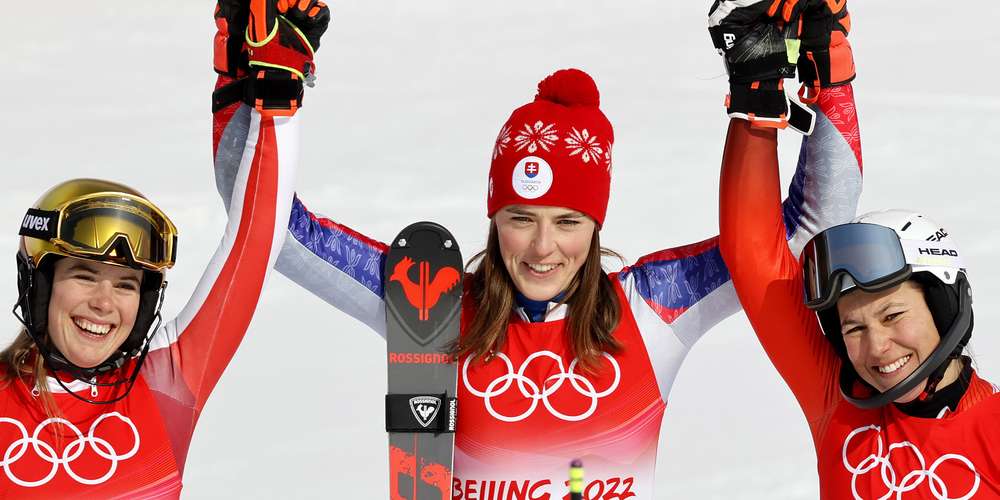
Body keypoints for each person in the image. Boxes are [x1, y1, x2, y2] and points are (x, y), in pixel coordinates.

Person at [212, 25, 857, 500]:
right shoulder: (429, 302)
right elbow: (273, 229)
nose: (543, 249)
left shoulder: (654, 305)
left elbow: (803, 233)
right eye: (521, 219)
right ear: (494, 219)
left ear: (596, 225)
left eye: (568, 223)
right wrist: (248, 82)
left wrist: (832, 78)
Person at [0, 1, 327, 496]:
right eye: (85, 274)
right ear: (39, 282)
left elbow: (255, 241)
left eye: (127, 284)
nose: (104, 303)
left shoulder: (164, 384)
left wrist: (273, 99)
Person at [716, 1, 1000, 498]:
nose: (877, 349)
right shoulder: (839, 401)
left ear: (945, 304)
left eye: (892, 314)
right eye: (853, 327)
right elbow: (754, 255)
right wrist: (759, 98)